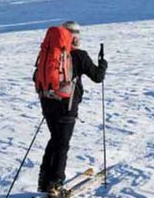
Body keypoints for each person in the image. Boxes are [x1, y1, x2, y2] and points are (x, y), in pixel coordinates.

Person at [38, 21, 107, 196]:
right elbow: (98, 77)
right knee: (62, 143)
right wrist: (103, 64)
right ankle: (56, 183)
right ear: (75, 37)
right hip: (67, 105)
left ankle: (44, 181)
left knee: (55, 139)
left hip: (47, 102)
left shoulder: (48, 53)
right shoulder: (79, 56)